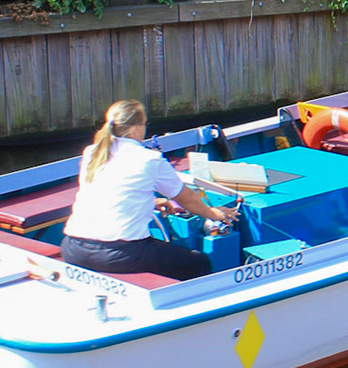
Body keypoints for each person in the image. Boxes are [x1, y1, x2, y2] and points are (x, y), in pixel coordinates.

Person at [60, 99, 238, 281]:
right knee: (199, 263)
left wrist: (152, 201)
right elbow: (187, 198)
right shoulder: (149, 159)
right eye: (145, 124)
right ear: (136, 129)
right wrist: (213, 214)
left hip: (73, 248)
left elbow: (106, 192)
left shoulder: (91, 152)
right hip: (120, 254)